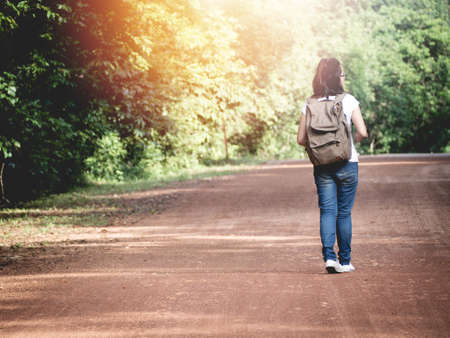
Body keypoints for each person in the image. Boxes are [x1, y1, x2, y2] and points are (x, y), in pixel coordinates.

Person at [297, 58, 368, 273]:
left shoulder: (310, 103)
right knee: (344, 213)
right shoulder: (348, 100)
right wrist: (351, 140)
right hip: (347, 161)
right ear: (337, 76)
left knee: (327, 211)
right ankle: (344, 261)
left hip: (322, 164)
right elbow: (363, 132)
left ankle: (329, 258)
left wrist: (318, 146)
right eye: (342, 74)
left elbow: (301, 138)